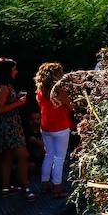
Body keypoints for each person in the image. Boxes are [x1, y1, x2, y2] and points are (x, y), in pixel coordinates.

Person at [0, 58, 34, 201]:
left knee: (7, 156)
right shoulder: (3, 87)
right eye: (14, 69)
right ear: (7, 71)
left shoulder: (3, 85)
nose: (16, 71)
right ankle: (26, 187)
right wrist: (18, 103)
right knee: (23, 156)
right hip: (9, 127)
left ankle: (6, 187)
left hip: (8, 125)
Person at [34, 62, 73, 199]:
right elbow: (70, 106)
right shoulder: (58, 91)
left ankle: (44, 184)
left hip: (45, 127)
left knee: (49, 154)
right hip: (60, 127)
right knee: (59, 158)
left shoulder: (39, 90)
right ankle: (57, 188)